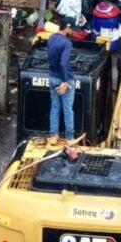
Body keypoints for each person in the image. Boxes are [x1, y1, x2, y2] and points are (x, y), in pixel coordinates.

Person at [46, 18, 76, 146]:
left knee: (55, 107)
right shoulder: (67, 43)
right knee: (68, 109)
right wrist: (64, 81)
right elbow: (63, 63)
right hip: (64, 79)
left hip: (52, 77)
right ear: (67, 28)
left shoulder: (51, 38)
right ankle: (69, 138)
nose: (72, 31)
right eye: (72, 28)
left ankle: (53, 136)